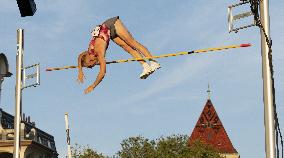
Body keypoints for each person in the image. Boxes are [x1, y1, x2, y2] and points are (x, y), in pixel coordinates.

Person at [77, 16, 161, 94]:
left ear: (90, 60)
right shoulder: (89, 51)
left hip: (112, 24)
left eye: (90, 65)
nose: (93, 66)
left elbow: (102, 73)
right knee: (128, 48)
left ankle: (153, 62)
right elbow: (80, 56)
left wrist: (93, 86)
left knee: (132, 43)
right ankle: (146, 66)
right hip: (108, 32)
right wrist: (80, 71)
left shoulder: (99, 54)